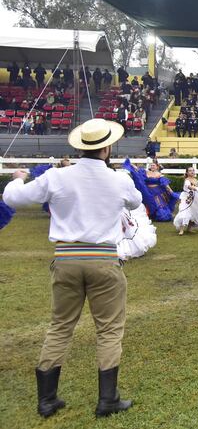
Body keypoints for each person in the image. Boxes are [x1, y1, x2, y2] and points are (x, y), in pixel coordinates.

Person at [3, 118, 142, 418]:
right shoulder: (118, 180)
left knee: (60, 327)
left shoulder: (57, 177)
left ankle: (47, 400)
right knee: (108, 329)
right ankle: (107, 400)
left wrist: (16, 177)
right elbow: (136, 201)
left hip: (66, 258)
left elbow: (13, 197)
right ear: (106, 147)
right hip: (104, 260)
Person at [174, 167, 198, 235]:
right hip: (187, 199)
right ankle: (181, 230)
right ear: (187, 173)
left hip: (195, 199)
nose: (192, 172)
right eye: (190, 171)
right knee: (185, 212)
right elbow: (189, 186)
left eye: (193, 170)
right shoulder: (187, 180)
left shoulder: (195, 180)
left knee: (194, 213)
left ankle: (189, 228)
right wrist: (195, 188)